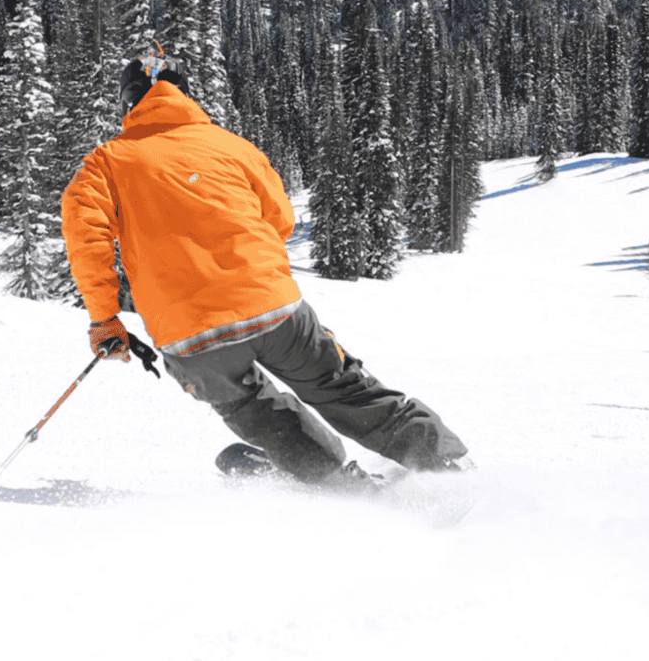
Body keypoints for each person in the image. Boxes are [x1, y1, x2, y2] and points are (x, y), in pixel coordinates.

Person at [61, 47, 467, 486]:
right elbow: (280, 219)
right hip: (274, 310)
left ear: (128, 101)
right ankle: (446, 470)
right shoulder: (232, 147)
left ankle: (342, 486)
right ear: (186, 95)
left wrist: (105, 319)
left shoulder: (105, 162)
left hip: (188, 332)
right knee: (342, 389)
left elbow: (86, 237)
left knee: (251, 409)